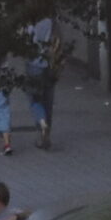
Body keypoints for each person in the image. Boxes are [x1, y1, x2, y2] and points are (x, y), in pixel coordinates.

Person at [23, 18, 66, 150]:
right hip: (50, 65)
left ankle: (42, 125)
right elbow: (59, 41)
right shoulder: (52, 22)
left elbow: (24, 44)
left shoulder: (29, 23)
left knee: (35, 99)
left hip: (33, 65)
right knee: (48, 100)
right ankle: (46, 136)